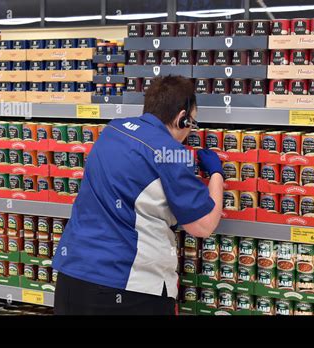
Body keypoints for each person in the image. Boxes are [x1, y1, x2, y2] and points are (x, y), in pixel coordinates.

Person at [53, 76, 224, 315]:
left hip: (72, 277)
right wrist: (216, 174)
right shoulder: (169, 152)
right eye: (191, 123)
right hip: (127, 288)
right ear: (181, 118)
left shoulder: (111, 130)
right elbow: (203, 226)